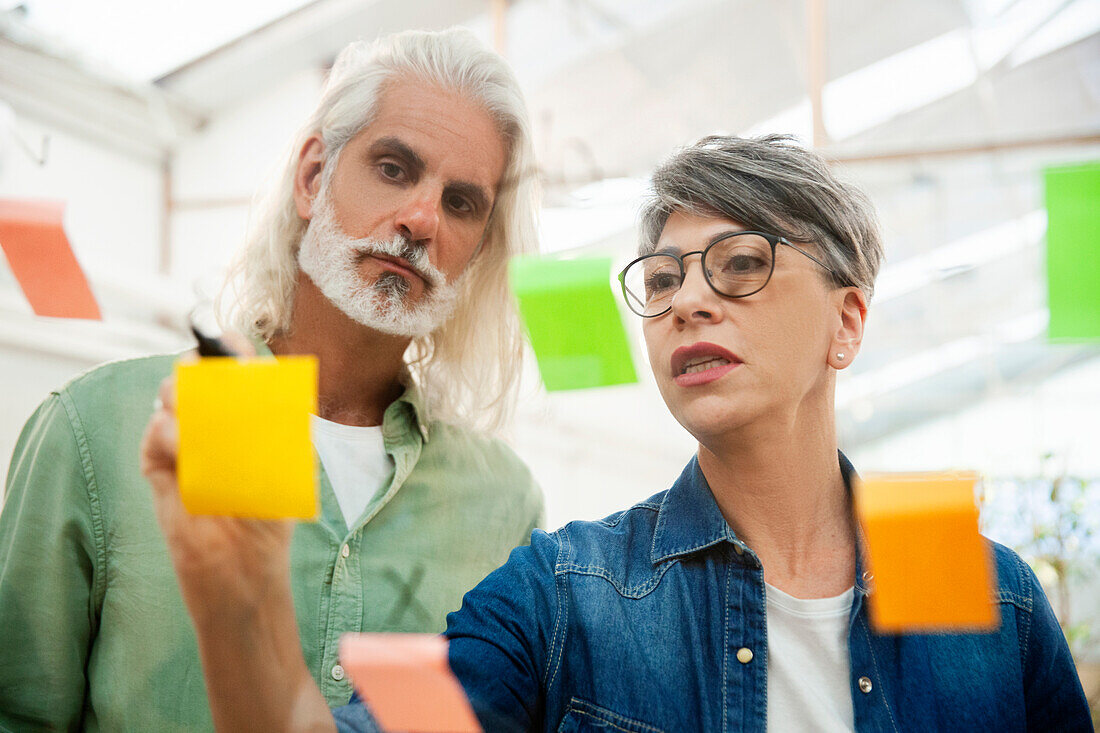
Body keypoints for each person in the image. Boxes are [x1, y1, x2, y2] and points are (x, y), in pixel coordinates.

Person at [142, 135, 1092, 731]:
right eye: (666, 278)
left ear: (847, 322)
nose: (689, 303)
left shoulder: (988, 596)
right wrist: (240, 603)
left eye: (741, 264)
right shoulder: (564, 594)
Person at [0, 28, 545, 731]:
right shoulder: (101, 426)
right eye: (394, 168)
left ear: (478, 252)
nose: (421, 219)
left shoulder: (503, 503)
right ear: (313, 177)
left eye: (462, 203)